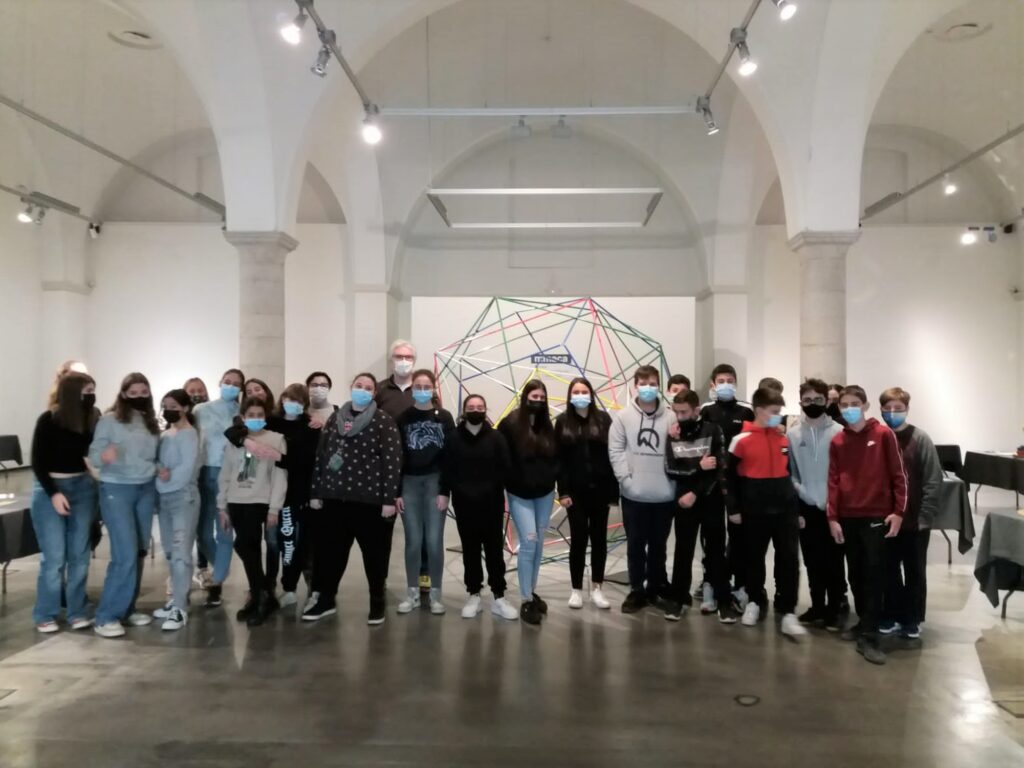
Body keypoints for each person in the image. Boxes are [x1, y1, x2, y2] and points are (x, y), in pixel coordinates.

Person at [304, 373, 403, 625]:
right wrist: (316, 492)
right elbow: (322, 455)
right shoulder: (335, 419)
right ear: (351, 387)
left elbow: (392, 461)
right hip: (334, 498)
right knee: (331, 554)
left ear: (374, 393)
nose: (363, 390)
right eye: (359, 385)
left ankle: (377, 602)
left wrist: (389, 499)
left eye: (368, 388)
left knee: (375, 556)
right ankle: (326, 600)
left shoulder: (383, 421)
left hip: (369, 501)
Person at [827, 385, 908, 665]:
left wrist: (898, 512)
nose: (849, 408)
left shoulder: (884, 435)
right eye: (844, 404)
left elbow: (899, 476)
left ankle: (871, 636)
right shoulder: (838, 441)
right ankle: (864, 622)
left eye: (855, 403)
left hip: (876, 516)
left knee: (874, 576)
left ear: (865, 406)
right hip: (848, 517)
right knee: (855, 575)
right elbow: (833, 480)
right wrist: (832, 517)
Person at [727, 387, 806, 639]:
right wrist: (733, 508)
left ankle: (788, 610)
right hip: (754, 510)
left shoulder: (783, 439)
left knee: (789, 559)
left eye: (779, 411)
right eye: (774, 411)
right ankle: (754, 600)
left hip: (784, 510)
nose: (778, 416)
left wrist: (797, 510)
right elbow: (728, 478)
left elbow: (791, 475)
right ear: (759, 410)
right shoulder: (741, 440)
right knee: (753, 556)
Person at [89, 373, 160, 638]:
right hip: (117, 488)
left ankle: (127, 608)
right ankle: (106, 616)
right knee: (125, 553)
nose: (139, 396)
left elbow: (152, 455)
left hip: (145, 488)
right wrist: (104, 456)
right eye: (133, 393)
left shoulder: (150, 422)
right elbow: (94, 455)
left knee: (139, 550)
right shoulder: (109, 420)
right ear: (123, 394)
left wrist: (159, 468)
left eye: (144, 392)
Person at [29, 372, 99, 633]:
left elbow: (89, 456)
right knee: (54, 557)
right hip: (51, 489)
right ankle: (45, 613)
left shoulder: (91, 420)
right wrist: (54, 494)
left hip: (82, 487)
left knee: (79, 555)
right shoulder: (49, 420)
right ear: (72, 393)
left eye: (92, 391)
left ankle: (76, 610)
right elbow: (38, 462)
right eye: (87, 391)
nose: (91, 396)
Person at [442, 395, 518, 620]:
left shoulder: (496, 438)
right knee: (470, 550)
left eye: (480, 407)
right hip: (464, 504)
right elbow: (447, 469)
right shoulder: (453, 438)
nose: (475, 410)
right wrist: (448, 492)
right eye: (471, 407)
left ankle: (498, 596)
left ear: (485, 410)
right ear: (464, 410)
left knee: (494, 551)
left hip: (491, 504)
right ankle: (473, 593)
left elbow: (506, 468)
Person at [663, 389, 737, 623]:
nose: (680, 417)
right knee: (682, 551)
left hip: (710, 500)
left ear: (696, 410)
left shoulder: (713, 430)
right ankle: (678, 599)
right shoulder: (673, 434)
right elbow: (671, 469)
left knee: (716, 551)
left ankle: (723, 601)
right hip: (684, 502)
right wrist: (698, 468)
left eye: (684, 412)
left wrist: (695, 491)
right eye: (676, 412)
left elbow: (718, 468)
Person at [608, 365, 675, 614]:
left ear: (659, 386)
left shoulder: (671, 417)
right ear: (635, 386)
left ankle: (654, 589)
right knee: (635, 545)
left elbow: (679, 451)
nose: (648, 388)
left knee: (658, 546)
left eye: (653, 383)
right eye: (643, 383)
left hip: (664, 495)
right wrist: (625, 479)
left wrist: (674, 483)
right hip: (634, 495)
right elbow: (615, 449)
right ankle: (636, 589)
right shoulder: (623, 417)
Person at [878, 387, 942, 643]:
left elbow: (933, 479)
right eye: (887, 408)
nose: (892, 413)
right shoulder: (879, 436)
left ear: (907, 409)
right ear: (880, 409)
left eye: (898, 408)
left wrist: (925, 516)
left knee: (915, 571)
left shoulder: (920, 438)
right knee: (889, 570)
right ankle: (891, 614)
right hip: (885, 519)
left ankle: (912, 619)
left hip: (915, 520)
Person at [217, 397, 288, 626]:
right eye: (251, 415)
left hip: (258, 500)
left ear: (265, 416)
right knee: (247, 548)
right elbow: (226, 472)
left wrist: (274, 508)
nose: (255, 419)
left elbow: (279, 476)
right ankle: (261, 596)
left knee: (247, 546)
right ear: (243, 417)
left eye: (260, 415)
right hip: (235, 500)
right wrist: (222, 505)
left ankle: (261, 597)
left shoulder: (275, 439)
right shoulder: (236, 440)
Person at [498, 380, 560, 625]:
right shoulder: (511, 423)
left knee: (539, 544)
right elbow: (502, 456)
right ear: (525, 397)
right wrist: (510, 481)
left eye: (542, 398)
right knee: (529, 542)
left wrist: (552, 478)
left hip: (544, 493)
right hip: (520, 494)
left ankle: (532, 591)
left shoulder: (547, 425)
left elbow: (554, 456)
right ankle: (525, 599)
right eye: (534, 397)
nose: (538, 401)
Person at [395, 370, 455, 615]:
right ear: (412, 390)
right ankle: (412, 594)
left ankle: (436, 595)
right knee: (413, 541)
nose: (422, 390)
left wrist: (445, 491)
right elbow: (397, 456)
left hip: (435, 483)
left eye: (426, 386)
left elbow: (450, 456)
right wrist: (397, 491)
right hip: (409, 483)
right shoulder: (403, 418)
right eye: (418, 386)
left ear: (433, 388)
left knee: (433, 541)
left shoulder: (445, 417)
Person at [554, 377, 617, 610]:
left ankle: (598, 588)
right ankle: (576, 590)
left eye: (584, 391)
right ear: (570, 396)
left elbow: (612, 455)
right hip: (575, 493)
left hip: (600, 491)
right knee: (578, 540)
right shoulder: (562, 421)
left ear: (591, 394)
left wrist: (613, 493)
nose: (580, 395)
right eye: (576, 392)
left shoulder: (603, 419)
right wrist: (563, 491)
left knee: (599, 540)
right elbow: (559, 460)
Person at [788, 379, 846, 631]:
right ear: (801, 402)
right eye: (808, 400)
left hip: (834, 508)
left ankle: (835, 607)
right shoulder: (792, 434)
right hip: (806, 507)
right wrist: (801, 498)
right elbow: (790, 472)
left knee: (834, 559)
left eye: (818, 399)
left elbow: (845, 473)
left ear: (827, 401)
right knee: (812, 559)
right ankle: (817, 606)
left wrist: (834, 501)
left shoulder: (840, 432)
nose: (813, 404)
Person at [375, 340, 430, 593]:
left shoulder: (423, 389)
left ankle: (423, 574)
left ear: (414, 361)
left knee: (421, 528)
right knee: (382, 529)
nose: (403, 361)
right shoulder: (379, 390)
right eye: (399, 356)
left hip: (416, 469)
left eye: (408, 357)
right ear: (391, 359)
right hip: (385, 469)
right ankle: (380, 578)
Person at [700, 363, 755, 609]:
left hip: (739, 484)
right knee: (712, 536)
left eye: (730, 380)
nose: (725, 384)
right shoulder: (706, 411)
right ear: (713, 384)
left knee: (740, 537)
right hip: (711, 483)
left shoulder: (746, 412)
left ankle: (740, 586)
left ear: (736, 383)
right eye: (721, 381)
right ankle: (711, 582)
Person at [193, 368, 245, 605]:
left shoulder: (242, 413)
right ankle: (221, 568)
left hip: (230, 476)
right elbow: (192, 441)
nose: (231, 386)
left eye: (236, 383)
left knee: (225, 530)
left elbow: (248, 448)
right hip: (204, 473)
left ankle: (217, 579)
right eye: (227, 381)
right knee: (202, 533)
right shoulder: (201, 410)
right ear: (220, 382)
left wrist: (245, 476)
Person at [152, 390, 201, 631]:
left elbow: (185, 470)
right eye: (165, 406)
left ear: (185, 408)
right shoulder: (165, 435)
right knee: (171, 552)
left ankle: (180, 608)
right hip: (165, 499)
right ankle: (177, 598)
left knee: (182, 553)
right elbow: (157, 462)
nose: (169, 410)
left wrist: (164, 479)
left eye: (174, 406)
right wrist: (160, 471)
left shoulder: (190, 435)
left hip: (184, 498)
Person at [268, 384, 321, 609]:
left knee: (295, 543)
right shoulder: (270, 423)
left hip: (299, 493)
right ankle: (271, 587)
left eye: (298, 401)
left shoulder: (310, 426)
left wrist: (280, 457)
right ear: (282, 399)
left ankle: (290, 587)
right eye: (289, 399)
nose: (293, 404)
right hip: (272, 492)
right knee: (276, 542)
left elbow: (308, 461)